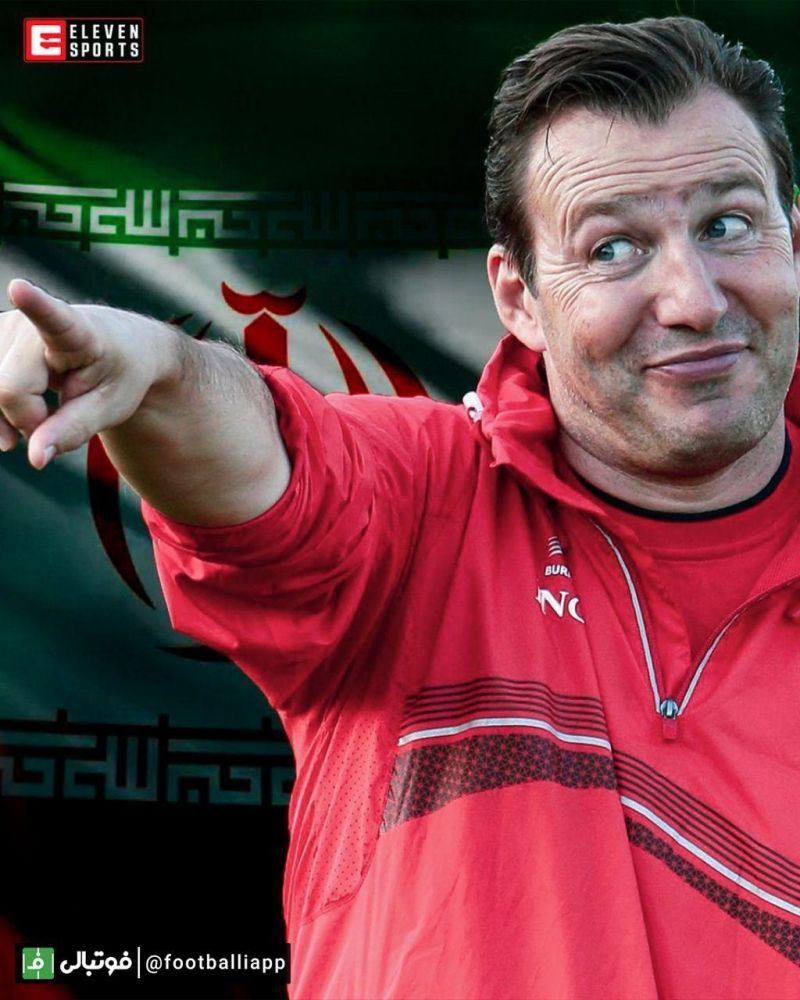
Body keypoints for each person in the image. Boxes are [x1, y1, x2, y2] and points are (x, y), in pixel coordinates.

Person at [1, 14, 799, 998]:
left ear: (793, 241)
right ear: (517, 299)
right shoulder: (425, 497)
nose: (694, 299)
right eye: (612, 248)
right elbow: (267, 463)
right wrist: (159, 369)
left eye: (726, 225)